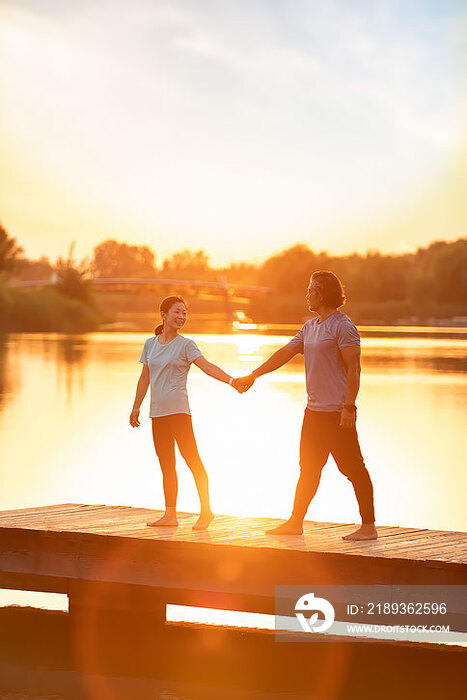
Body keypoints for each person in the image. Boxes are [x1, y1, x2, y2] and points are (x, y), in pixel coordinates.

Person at [233, 271, 377, 541]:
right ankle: (295, 521)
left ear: (321, 293)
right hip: (313, 414)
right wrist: (254, 374)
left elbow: (355, 369)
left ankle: (368, 526)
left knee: (353, 468)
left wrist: (349, 407)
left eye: (311, 290)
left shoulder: (343, 326)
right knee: (308, 469)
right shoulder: (310, 327)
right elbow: (285, 353)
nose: (307, 294)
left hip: (338, 413)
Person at [130, 295, 240, 530]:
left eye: (184, 313)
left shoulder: (186, 344)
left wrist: (231, 380)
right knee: (166, 465)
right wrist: (136, 406)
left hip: (179, 412)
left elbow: (207, 366)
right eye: (177, 312)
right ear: (164, 314)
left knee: (192, 460)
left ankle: (207, 511)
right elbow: (144, 377)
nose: (182, 317)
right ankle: (170, 515)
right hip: (157, 413)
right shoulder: (150, 344)